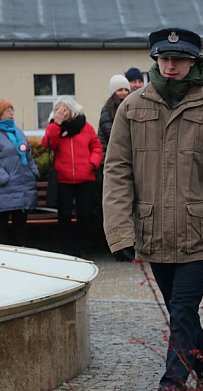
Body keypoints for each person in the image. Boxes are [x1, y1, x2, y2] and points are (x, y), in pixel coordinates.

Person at [103, 27, 203, 391]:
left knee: (182, 308)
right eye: (164, 59)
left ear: (194, 62)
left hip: (198, 232)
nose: (170, 66)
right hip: (152, 228)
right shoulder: (132, 108)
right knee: (181, 312)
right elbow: (117, 169)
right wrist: (120, 230)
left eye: (178, 59)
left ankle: (172, 384)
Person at [43, 97, 103, 257]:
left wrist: (93, 163)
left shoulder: (85, 126)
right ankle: (66, 250)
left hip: (85, 178)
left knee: (84, 214)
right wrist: (56, 123)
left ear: (72, 110)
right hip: (64, 179)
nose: (61, 112)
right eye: (58, 109)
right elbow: (48, 144)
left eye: (64, 109)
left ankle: (81, 247)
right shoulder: (54, 126)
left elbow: (96, 146)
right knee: (64, 216)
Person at [0, 99, 39, 247]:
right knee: (2, 229)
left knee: (20, 228)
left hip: (22, 187)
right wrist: (4, 178)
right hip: (5, 189)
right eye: (7, 110)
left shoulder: (18, 132)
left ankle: (21, 259)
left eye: (12, 110)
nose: (11, 113)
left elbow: (28, 155)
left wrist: (33, 172)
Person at [98, 74, 130, 152]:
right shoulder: (107, 109)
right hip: (111, 152)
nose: (124, 92)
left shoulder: (130, 106)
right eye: (120, 90)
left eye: (126, 89)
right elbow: (110, 134)